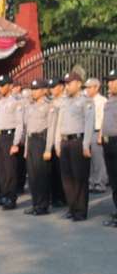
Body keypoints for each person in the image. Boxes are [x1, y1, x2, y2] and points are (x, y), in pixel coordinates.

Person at [54, 71, 95, 221]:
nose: (67, 86)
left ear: (78, 83)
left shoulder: (86, 101)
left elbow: (90, 123)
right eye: (65, 83)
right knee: (67, 178)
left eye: (69, 83)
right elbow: (59, 123)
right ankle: (72, 207)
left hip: (78, 142)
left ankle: (80, 210)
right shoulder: (64, 101)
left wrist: (86, 145)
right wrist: (57, 142)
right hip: (65, 142)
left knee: (79, 177)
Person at [0, 75, 24, 210]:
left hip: (10, 137)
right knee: (1, 169)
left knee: (10, 170)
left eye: (2, 85)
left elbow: (20, 124)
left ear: (10, 86)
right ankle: (4, 195)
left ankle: (11, 198)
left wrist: (16, 143)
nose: (0, 88)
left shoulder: (16, 102)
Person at [23, 79, 55, 216]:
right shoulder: (30, 106)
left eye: (36, 89)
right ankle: (35, 203)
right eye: (32, 89)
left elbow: (52, 128)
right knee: (32, 175)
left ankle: (43, 205)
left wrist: (48, 149)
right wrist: (26, 148)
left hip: (41, 140)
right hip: (31, 141)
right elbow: (27, 128)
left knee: (41, 175)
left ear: (43, 91)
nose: (33, 92)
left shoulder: (49, 106)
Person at [99, 69, 117, 227]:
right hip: (108, 143)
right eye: (109, 80)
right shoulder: (110, 100)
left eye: (113, 80)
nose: (109, 83)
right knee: (113, 180)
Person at [84, 77, 109, 194]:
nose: (87, 90)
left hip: (97, 131)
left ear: (97, 87)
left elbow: (104, 119)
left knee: (98, 159)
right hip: (87, 132)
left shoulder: (102, 101)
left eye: (89, 87)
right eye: (86, 87)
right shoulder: (86, 101)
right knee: (88, 159)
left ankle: (100, 183)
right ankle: (91, 182)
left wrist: (100, 135)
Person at [47, 78, 68, 207]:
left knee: (62, 171)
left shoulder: (65, 102)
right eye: (50, 87)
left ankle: (63, 197)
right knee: (52, 171)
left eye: (54, 87)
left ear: (61, 87)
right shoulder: (51, 101)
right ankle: (54, 197)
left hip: (60, 139)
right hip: (50, 139)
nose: (51, 89)